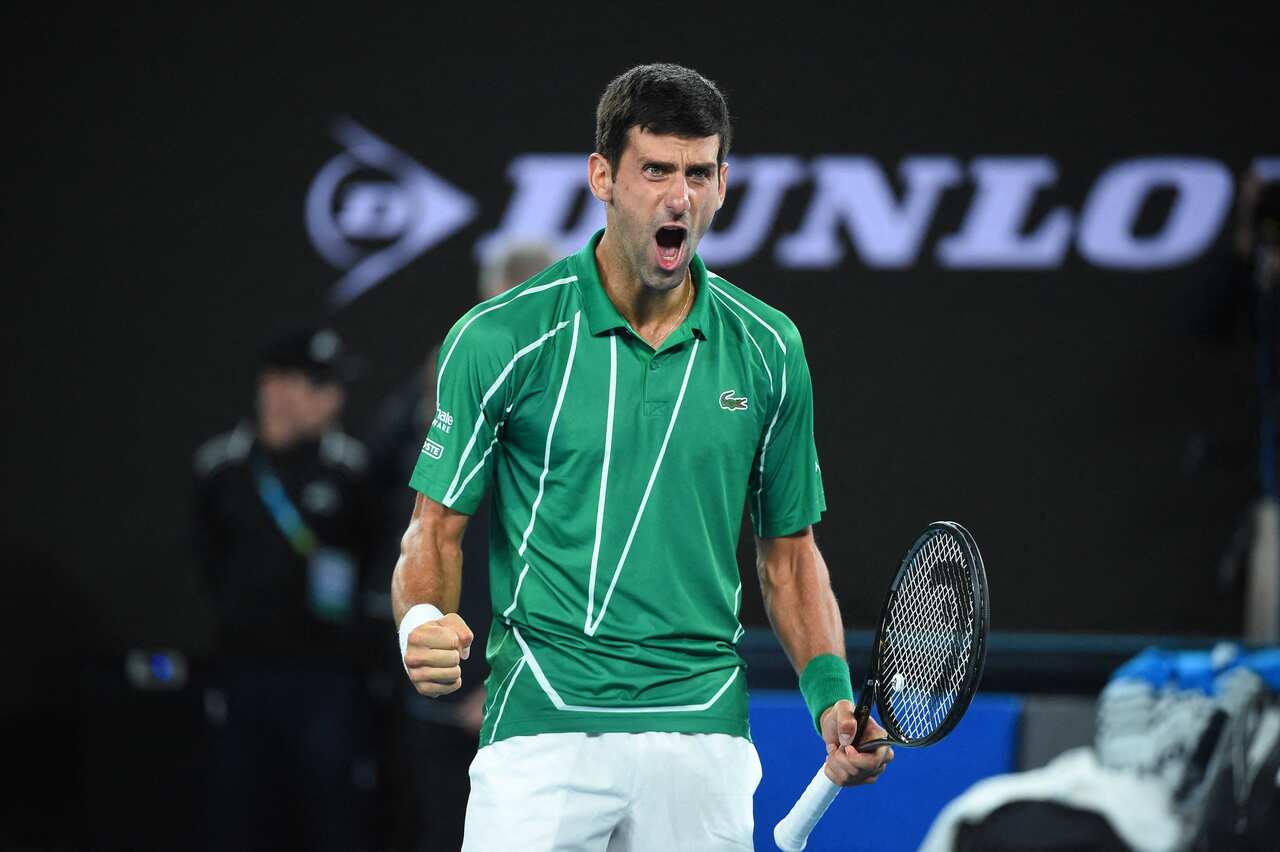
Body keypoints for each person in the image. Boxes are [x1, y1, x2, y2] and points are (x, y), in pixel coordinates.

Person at [390, 63, 893, 851]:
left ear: (723, 184)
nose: (678, 197)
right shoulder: (501, 337)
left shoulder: (769, 349)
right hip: (545, 730)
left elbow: (789, 558)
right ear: (603, 177)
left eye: (698, 173)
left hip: (702, 737)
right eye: (656, 169)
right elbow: (434, 531)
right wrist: (421, 618)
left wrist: (831, 697)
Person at [364, 240, 559, 851]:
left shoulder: (578, 390)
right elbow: (413, 525)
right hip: (451, 678)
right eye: (509, 293)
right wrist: (445, 660)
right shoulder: (444, 381)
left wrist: (506, 680)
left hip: (536, 686)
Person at [193, 322, 374, 852]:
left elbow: (368, 559)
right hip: (244, 674)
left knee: (335, 817)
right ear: (274, 388)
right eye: (319, 385)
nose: (335, 399)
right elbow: (206, 565)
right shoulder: (220, 470)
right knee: (240, 815)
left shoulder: (350, 470)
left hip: (327, 679)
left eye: (337, 385)